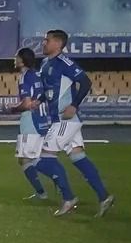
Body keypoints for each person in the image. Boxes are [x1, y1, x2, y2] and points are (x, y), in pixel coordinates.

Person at [39, 29, 114, 217]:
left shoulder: (65, 62)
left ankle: (68, 197)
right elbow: (48, 90)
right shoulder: (45, 63)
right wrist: (36, 101)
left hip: (65, 119)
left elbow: (86, 82)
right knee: (77, 157)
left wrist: (74, 105)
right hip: (60, 119)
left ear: (57, 43)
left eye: (46, 40)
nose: (43, 43)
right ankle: (104, 197)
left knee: (41, 159)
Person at [11, 47, 76, 208]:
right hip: (43, 119)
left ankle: (64, 191)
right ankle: (44, 192)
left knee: (33, 159)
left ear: (22, 60)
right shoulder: (40, 75)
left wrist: (13, 108)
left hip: (31, 120)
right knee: (28, 158)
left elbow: (26, 104)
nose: (14, 59)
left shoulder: (25, 76)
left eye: (16, 57)